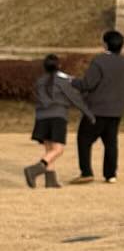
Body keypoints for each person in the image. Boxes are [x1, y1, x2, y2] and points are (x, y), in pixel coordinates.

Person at [24, 55, 94, 189]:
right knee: (58, 150)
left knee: (49, 149)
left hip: (41, 118)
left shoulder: (39, 81)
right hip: (57, 117)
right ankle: (34, 170)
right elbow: (75, 99)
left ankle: (50, 180)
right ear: (59, 66)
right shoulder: (62, 81)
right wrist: (89, 114)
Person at [75, 29, 124, 184]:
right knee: (110, 142)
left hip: (97, 108)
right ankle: (110, 174)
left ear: (105, 44)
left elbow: (87, 84)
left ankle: (86, 172)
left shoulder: (99, 61)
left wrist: (71, 81)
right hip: (116, 110)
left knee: (84, 139)